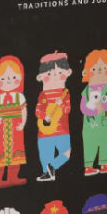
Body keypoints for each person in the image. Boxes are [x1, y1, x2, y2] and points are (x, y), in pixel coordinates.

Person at [0, 55, 28, 189]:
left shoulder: (19, 97)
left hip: (16, 130)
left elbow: (23, 111)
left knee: (16, 154)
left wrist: (23, 123)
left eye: (13, 77)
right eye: (3, 79)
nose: (8, 81)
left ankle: (13, 177)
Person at [35, 52, 73, 182]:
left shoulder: (65, 93)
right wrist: (44, 116)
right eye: (49, 74)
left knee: (66, 153)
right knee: (45, 155)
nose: (55, 77)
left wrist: (61, 104)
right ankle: (46, 172)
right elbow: (37, 110)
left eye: (59, 73)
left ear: (67, 73)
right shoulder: (43, 95)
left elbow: (68, 109)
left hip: (62, 131)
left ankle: (53, 166)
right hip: (45, 131)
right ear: (41, 77)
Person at [80, 49, 107, 175]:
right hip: (90, 126)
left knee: (106, 142)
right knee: (90, 144)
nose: (99, 71)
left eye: (103, 68)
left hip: (106, 124)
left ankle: (104, 164)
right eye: (95, 69)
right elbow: (83, 107)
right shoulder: (86, 90)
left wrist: (102, 106)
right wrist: (93, 111)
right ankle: (88, 166)